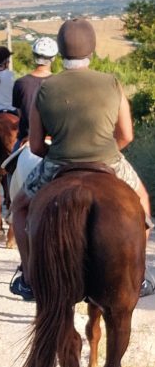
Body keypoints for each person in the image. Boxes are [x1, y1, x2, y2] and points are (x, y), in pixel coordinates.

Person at [10, 18, 154, 300]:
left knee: (19, 208)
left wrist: (59, 154)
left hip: (58, 164)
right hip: (108, 160)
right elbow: (126, 135)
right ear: (92, 48)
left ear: (61, 50)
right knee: (143, 208)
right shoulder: (112, 82)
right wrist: (106, 151)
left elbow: (37, 146)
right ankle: (140, 273)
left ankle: (28, 276)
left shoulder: (46, 88)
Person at [12, 37, 58, 152]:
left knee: (9, 167)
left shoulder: (20, 83)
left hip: (27, 137)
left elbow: (19, 112)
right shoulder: (60, 83)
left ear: (34, 57)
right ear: (53, 58)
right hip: (56, 139)